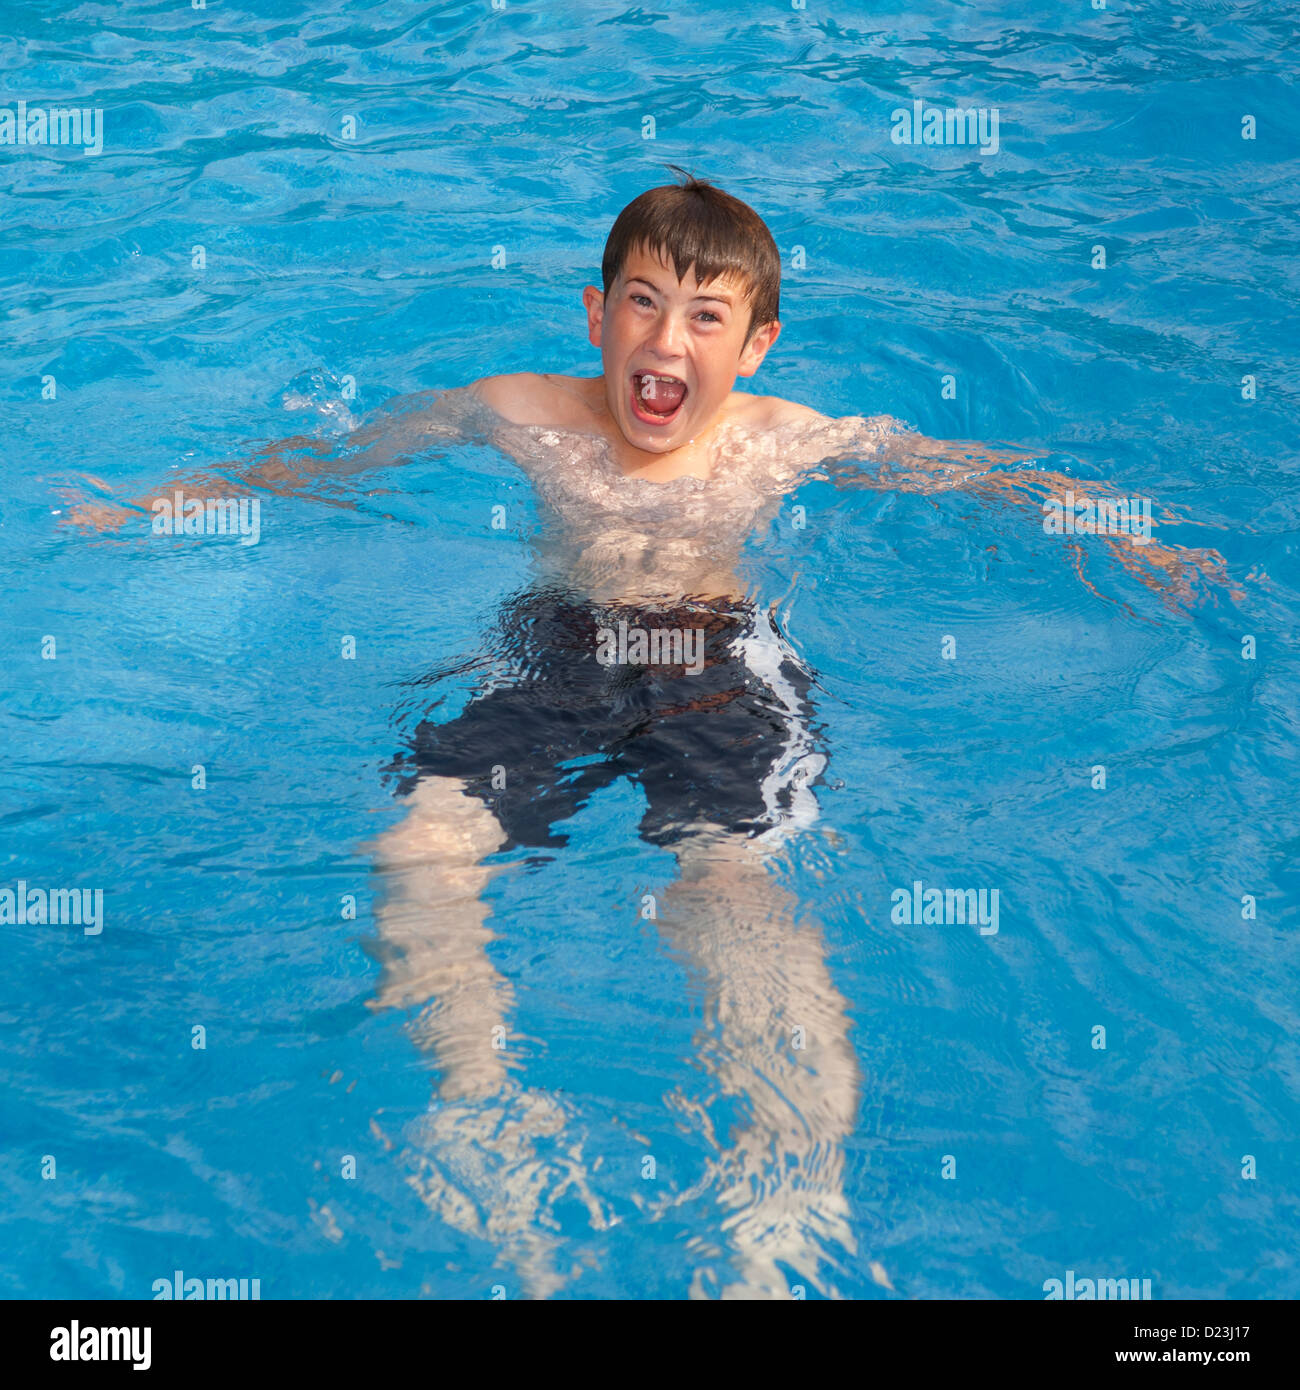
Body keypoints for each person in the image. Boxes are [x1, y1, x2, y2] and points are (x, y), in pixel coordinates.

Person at [64, 170, 1230, 1298]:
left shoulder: (784, 436)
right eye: (643, 303)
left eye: (705, 317)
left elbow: (975, 475)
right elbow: (337, 459)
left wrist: (1125, 531)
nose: (666, 341)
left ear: (754, 345)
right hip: (558, 653)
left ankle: (786, 1190)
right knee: (416, 848)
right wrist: (165, 503)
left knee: (724, 890)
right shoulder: (517, 411)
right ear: (596, 314)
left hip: (717, 668)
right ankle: (485, 1113)